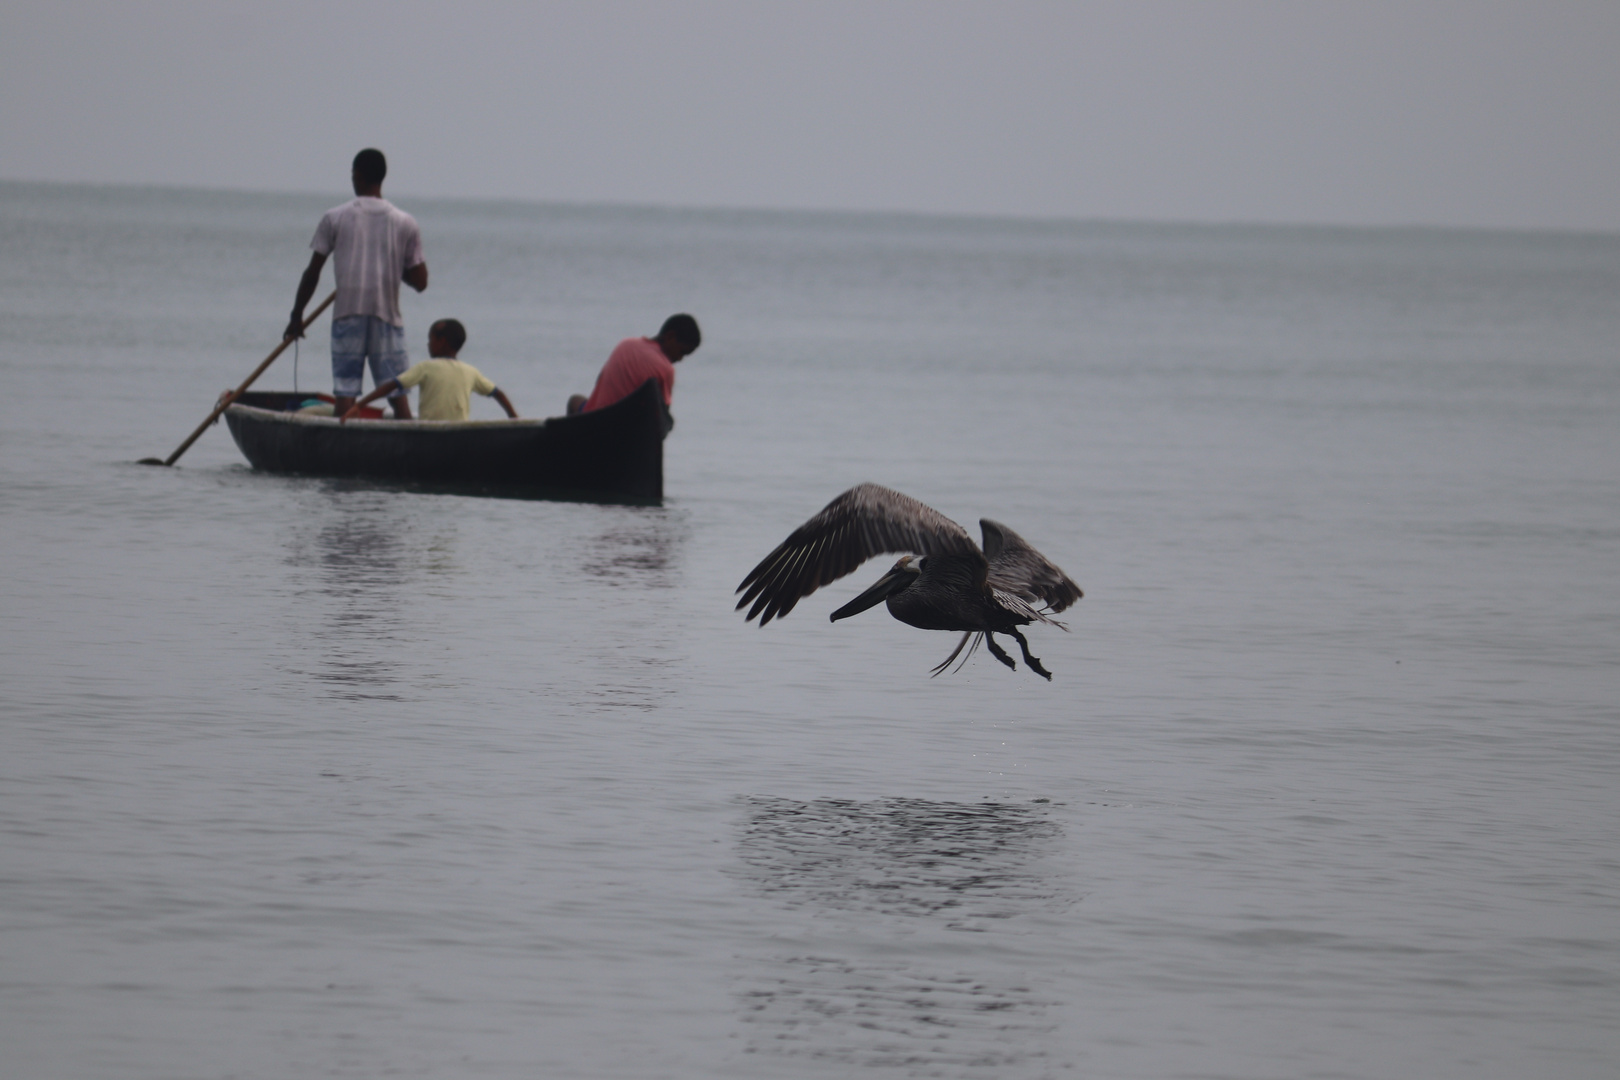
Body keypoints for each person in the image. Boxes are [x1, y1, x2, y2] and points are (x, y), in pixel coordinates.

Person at [285, 148, 427, 420]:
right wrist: (394, 263)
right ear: (382, 178)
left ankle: (342, 447)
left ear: (357, 175)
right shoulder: (405, 222)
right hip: (387, 319)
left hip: (347, 316)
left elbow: (313, 272)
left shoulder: (335, 217)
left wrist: (296, 316)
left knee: (345, 395)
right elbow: (420, 282)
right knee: (398, 396)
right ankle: (408, 448)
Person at [341, 319, 517, 423]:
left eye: (430, 339)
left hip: (430, 430)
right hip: (459, 432)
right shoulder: (470, 371)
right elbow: (498, 394)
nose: (428, 344)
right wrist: (513, 418)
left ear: (442, 342)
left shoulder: (425, 367)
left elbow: (390, 387)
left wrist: (358, 405)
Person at [567, 313, 700, 415]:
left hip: (593, 417)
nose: (680, 359)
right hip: (622, 429)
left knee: (574, 400)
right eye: (682, 352)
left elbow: (600, 381)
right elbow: (662, 417)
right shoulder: (666, 368)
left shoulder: (626, 344)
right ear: (670, 337)